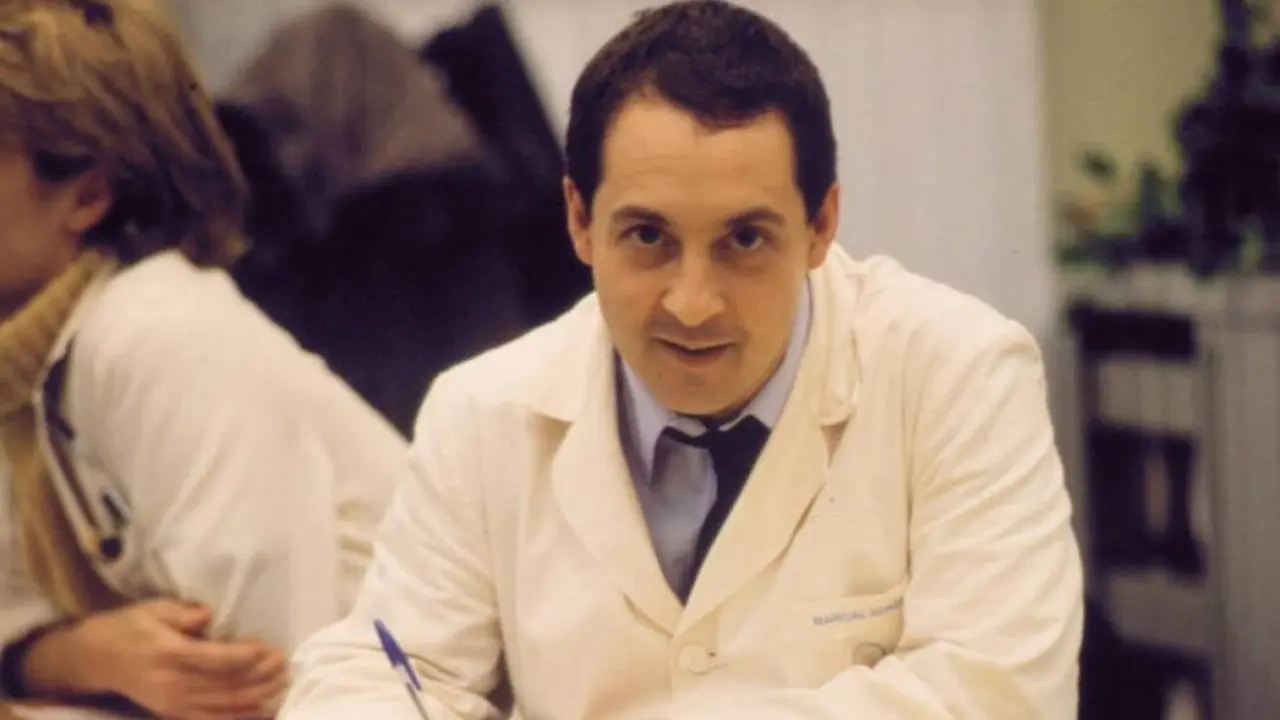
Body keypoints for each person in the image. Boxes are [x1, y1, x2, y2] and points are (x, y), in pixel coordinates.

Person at [280, 1, 1084, 718]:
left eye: (745, 239)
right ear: (579, 220)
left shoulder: (959, 374)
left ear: (822, 225)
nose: (693, 303)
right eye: (648, 236)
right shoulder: (482, 412)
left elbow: (999, 695)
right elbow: (377, 670)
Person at [0, 1, 406, 717]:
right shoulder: (25, 367)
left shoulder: (153, 329)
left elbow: (258, 681)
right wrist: (85, 652)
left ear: (89, 193)